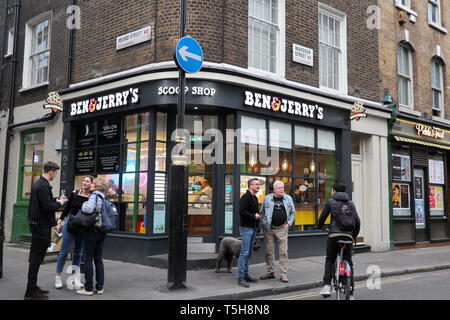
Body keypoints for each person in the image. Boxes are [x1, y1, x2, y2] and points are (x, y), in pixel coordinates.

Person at [25, 161, 67, 300]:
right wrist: (59, 203)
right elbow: (47, 206)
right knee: (36, 259)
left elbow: (46, 201)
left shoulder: (40, 184)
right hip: (40, 226)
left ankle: (33, 287)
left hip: (38, 225)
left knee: (36, 258)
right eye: (55, 173)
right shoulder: (43, 185)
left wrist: (56, 200)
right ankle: (30, 291)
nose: (55, 175)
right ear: (51, 172)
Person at [316, 183, 361, 299]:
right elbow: (358, 222)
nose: (331, 192)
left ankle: (326, 285)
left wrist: (319, 226)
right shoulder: (351, 203)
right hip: (348, 237)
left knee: (330, 259)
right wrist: (353, 236)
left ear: (334, 191)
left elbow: (322, 218)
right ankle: (350, 292)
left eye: (332, 190)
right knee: (348, 261)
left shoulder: (331, 201)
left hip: (334, 236)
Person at [54, 176, 94, 290]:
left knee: (78, 253)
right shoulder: (75, 193)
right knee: (64, 250)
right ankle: (58, 276)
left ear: (91, 184)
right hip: (70, 222)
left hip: (82, 225)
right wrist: (60, 222)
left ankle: (74, 277)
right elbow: (66, 209)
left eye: (88, 181)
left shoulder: (91, 197)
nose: (85, 183)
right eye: (84, 181)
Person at [76, 178, 109, 296]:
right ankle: (100, 287)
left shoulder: (94, 195)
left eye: (93, 183)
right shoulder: (104, 197)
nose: (91, 184)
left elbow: (88, 209)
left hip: (92, 231)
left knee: (89, 259)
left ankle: (88, 288)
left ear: (96, 185)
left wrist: (83, 204)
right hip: (102, 231)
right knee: (98, 259)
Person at [260, 180, 295, 283]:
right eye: (279, 188)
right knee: (269, 252)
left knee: (283, 252)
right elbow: (262, 213)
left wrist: (288, 223)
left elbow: (293, 212)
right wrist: (265, 223)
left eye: (282, 188)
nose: (281, 190)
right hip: (269, 229)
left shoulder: (288, 198)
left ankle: (283, 274)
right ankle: (270, 272)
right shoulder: (267, 199)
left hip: (282, 228)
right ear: (274, 189)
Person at [237, 178, 262, 287]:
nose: (258, 186)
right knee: (244, 252)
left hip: (252, 228)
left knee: (249, 253)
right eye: (256, 184)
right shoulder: (245, 197)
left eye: (258, 184)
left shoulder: (255, 198)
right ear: (250, 186)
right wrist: (254, 216)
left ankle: (246, 274)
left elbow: (255, 213)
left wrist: (257, 224)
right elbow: (241, 212)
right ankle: (241, 277)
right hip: (246, 228)